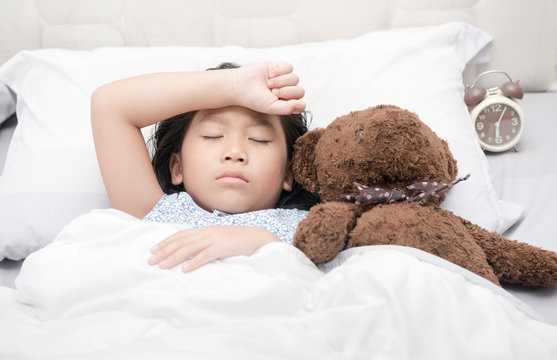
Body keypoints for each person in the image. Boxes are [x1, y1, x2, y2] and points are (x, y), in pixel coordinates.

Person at [91, 61, 319, 273]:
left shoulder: (309, 226)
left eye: (259, 139)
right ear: (177, 168)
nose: (235, 153)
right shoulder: (156, 214)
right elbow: (109, 105)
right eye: (213, 135)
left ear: (289, 174)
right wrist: (233, 85)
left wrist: (261, 241)